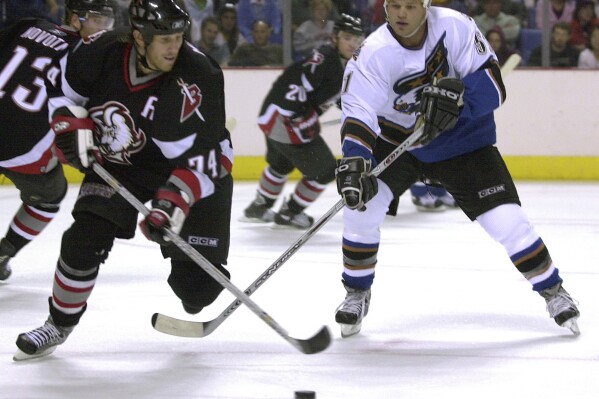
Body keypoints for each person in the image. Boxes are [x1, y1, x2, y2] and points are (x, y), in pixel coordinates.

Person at [333, 0, 580, 338]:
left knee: (508, 221)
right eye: (394, 6)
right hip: (397, 142)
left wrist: (458, 104)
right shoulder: (373, 52)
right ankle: (356, 292)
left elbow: (493, 85)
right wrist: (355, 159)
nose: (401, 14)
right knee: (361, 208)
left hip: (460, 139)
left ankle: (553, 290)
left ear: (426, 5)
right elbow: (358, 112)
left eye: (409, 6)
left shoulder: (456, 26)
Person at [14, 0, 234, 361]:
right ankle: (58, 323)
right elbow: (60, 97)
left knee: (196, 292)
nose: (173, 47)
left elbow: (207, 158)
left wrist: (174, 203)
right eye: (164, 39)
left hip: (188, 169)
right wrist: (70, 125)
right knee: (83, 239)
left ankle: (194, 278)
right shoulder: (97, 52)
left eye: (179, 37)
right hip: (121, 166)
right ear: (138, 37)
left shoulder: (199, 75)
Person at [0, 0, 116, 282]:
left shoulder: (28, 25)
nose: (105, 28)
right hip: (20, 148)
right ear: (75, 19)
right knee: (49, 196)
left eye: (108, 21)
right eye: (97, 20)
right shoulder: (88, 58)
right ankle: (3, 253)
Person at [241, 14, 365, 228]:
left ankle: (259, 207)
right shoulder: (327, 60)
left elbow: (334, 96)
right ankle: (290, 212)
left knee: (281, 164)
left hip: (274, 116)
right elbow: (297, 82)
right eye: (347, 38)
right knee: (325, 170)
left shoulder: (341, 62)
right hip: (285, 121)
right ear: (335, 38)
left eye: (357, 39)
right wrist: (298, 117)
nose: (353, 44)